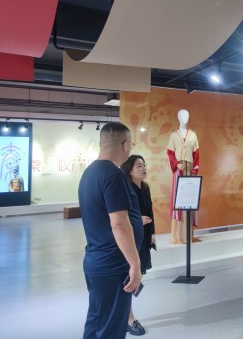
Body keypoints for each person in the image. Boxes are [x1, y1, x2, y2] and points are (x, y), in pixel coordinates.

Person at [78, 122, 143, 339]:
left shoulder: (89, 172)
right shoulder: (113, 175)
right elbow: (119, 224)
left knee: (97, 321)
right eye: (131, 144)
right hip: (113, 264)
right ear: (125, 145)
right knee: (110, 329)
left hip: (97, 260)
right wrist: (135, 264)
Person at [120, 155, 156, 336]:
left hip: (143, 237)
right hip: (131, 238)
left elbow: (150, 212)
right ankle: (129, 318)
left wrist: (153, 233)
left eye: (144, 165)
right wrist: (137, 220)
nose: (143, 168)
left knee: (136, 278)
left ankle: (125, 315)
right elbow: (122, 216)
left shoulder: (145, 187)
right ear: (130, 170)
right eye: (139, 166)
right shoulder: (126, 189)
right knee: (130, 278)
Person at [166, 109, 200, 244]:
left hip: (189, 169)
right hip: (179, 169)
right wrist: (176, 164)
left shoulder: (193, 135)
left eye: (187, 115)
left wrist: (194, 170)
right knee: (179, 198)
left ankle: (188, 234)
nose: (185, 117)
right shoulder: (173, 136)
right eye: (182, 115)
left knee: (190, 197)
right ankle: (179, 235)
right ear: (178, 117)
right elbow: (170, 153)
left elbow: (196, 154)